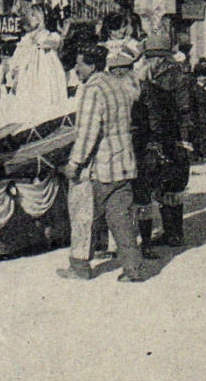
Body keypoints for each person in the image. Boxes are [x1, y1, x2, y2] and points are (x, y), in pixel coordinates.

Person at [63, 40, 147, 282]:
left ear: (90, 65)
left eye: (78, 65)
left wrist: (74, 163)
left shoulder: (93, 89)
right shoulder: (118, 84)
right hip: (124, 164)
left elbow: (88, 132)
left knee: (82, 214)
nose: (76, 70)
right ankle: (134, 269)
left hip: (100, 167)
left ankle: (79, 267)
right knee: (121, 219)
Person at [133, 27, 193, 248]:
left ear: (159, 57)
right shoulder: (157, 73)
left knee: (172, 184)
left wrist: (184, 140)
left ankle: (175, 233)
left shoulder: (176, 76)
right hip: (160, 134)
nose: (147, 62)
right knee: (164, 182)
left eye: (150, 57)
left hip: (172, 136)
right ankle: (172, 232)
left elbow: (184, 109)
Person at [0, 5, 67, 131]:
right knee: (28, 99)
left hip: (45, 72)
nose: (31, 18)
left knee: (46, 96)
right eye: (31, 15)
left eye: (34, 15)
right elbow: (18, 57)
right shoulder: (26, 38)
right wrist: (15, 71)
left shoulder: (50, 35)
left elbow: (50, 44)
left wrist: (40, 34)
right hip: (28, 74)